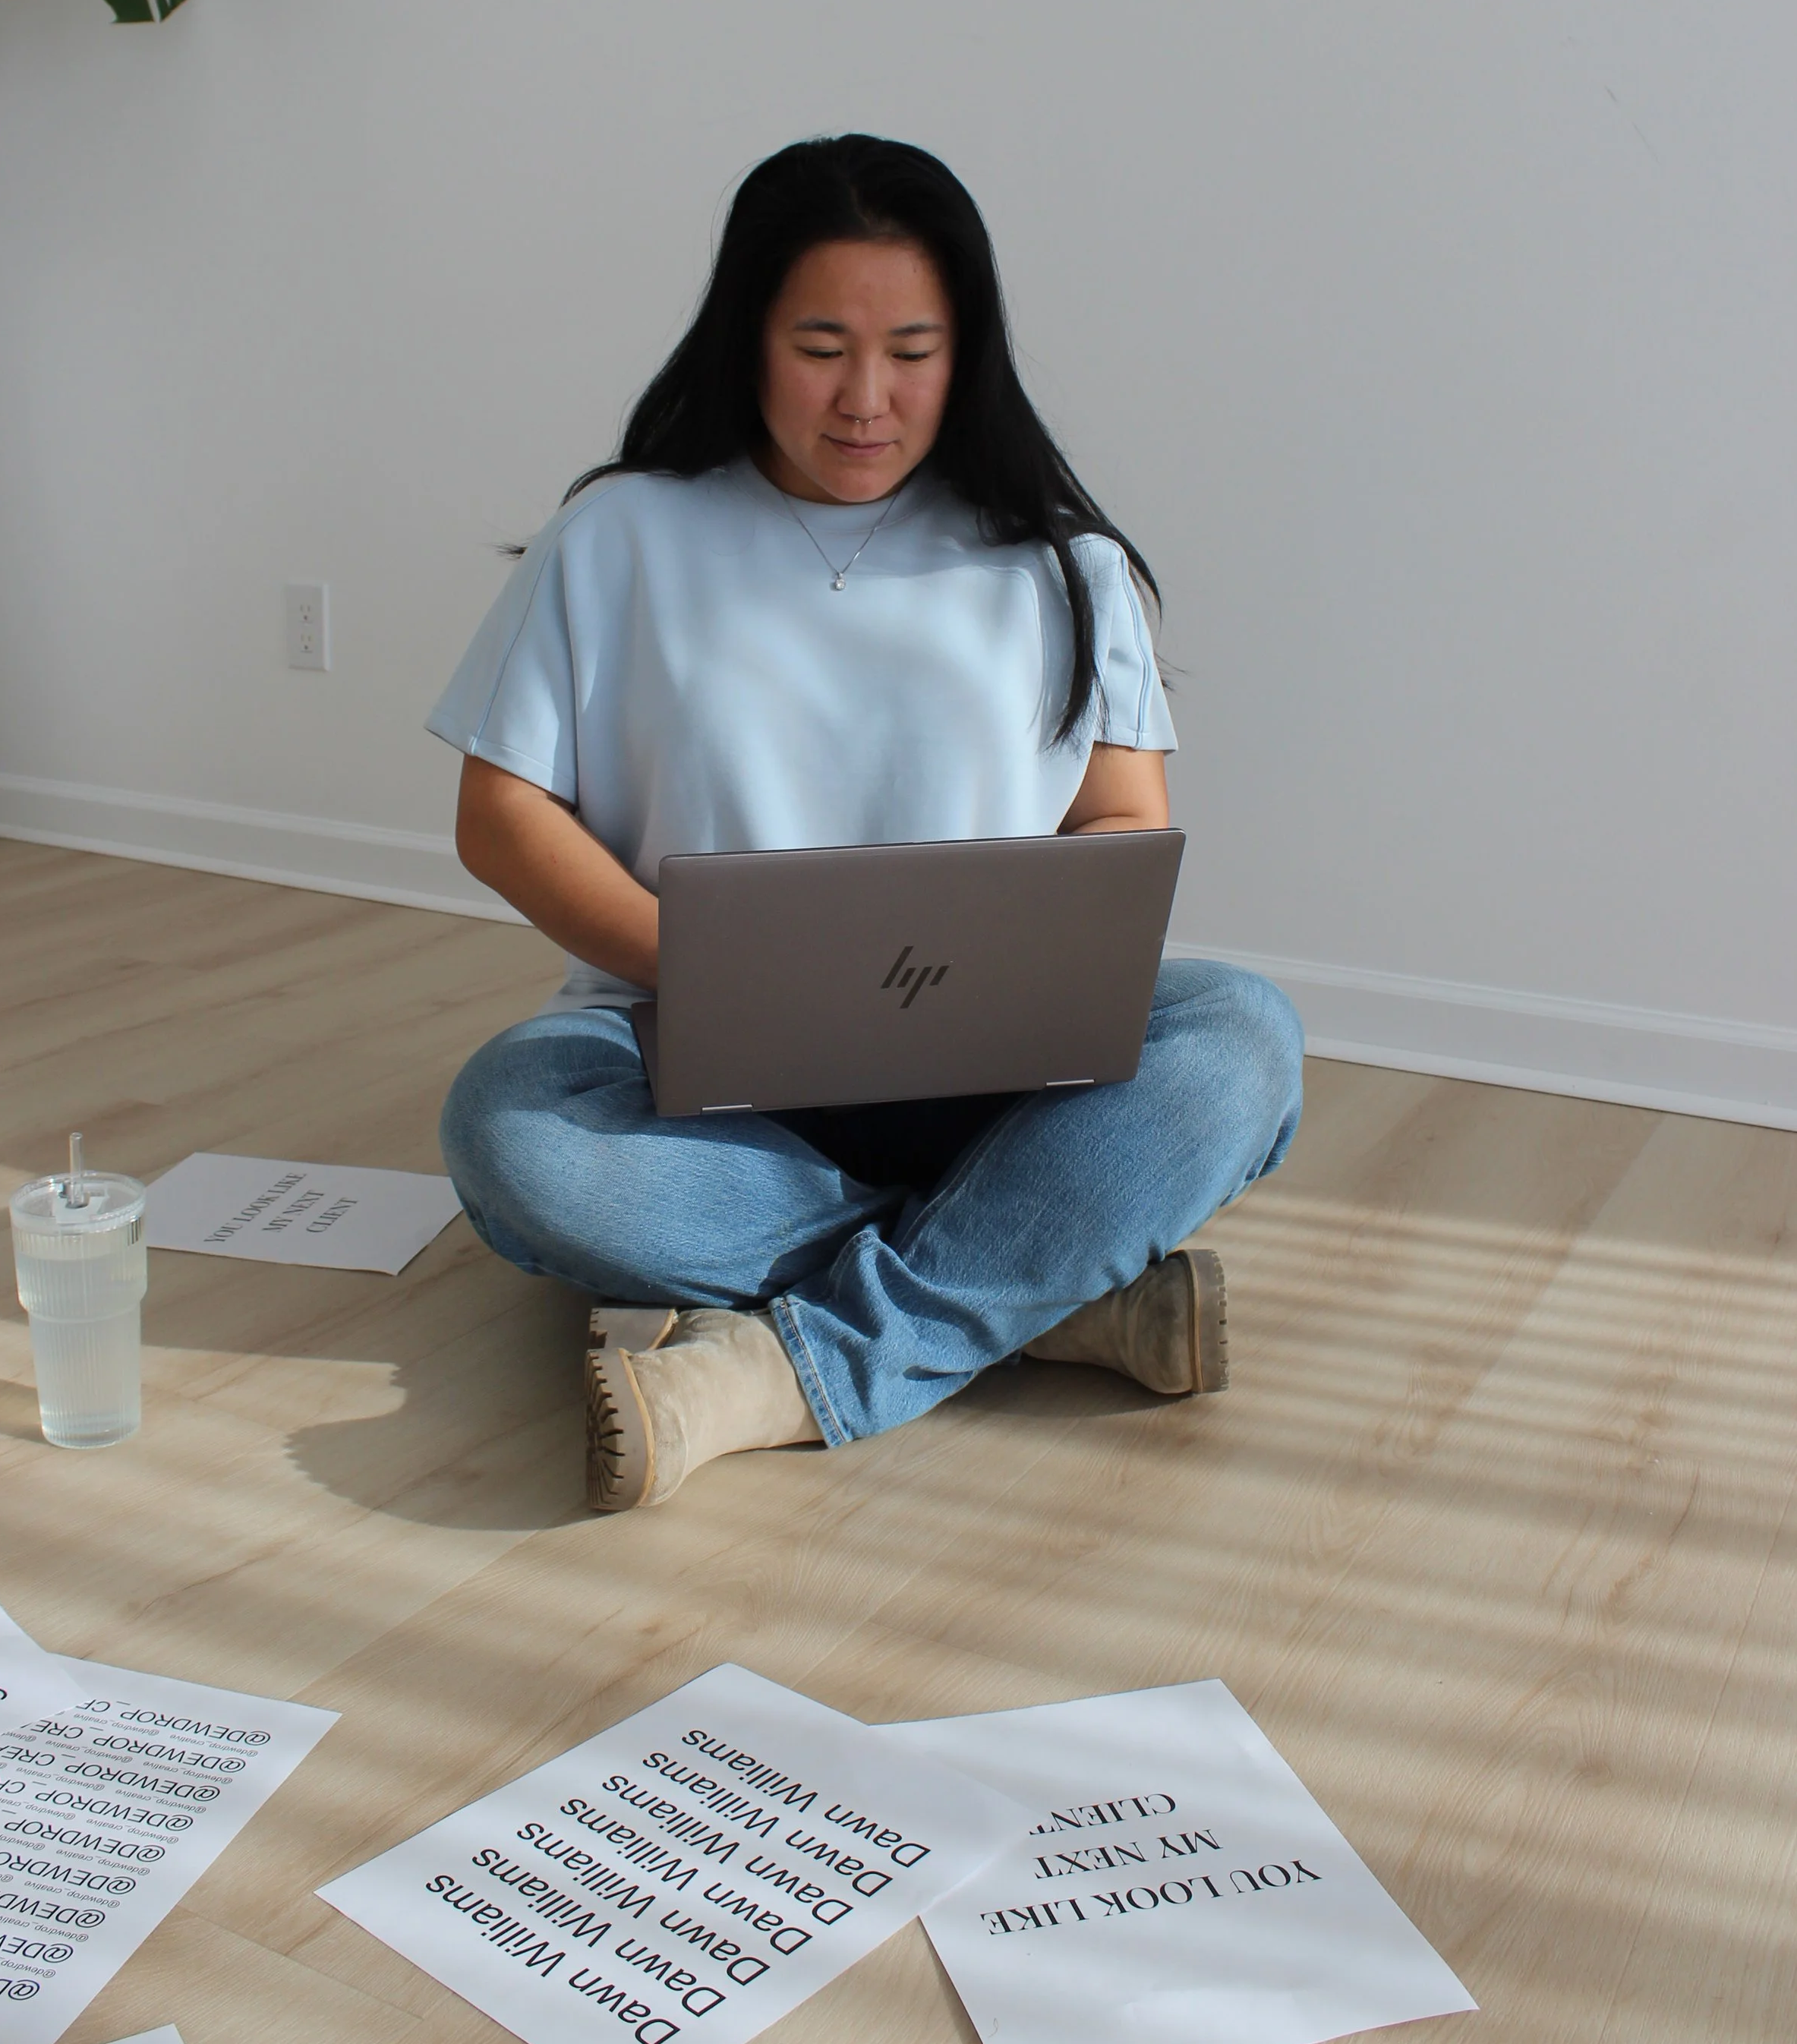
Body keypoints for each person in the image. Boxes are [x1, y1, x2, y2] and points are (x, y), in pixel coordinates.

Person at [432, 135, 1303, 1512]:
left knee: (1241, 1036)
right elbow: (501, 815)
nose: (866, 397)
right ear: (749, 336)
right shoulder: (620, 539)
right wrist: (706, 968)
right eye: (822, 344)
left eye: (912, 349)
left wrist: (1024, 965)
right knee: (513, 1126)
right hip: (687, 1060)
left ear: (968, 353)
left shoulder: (1065, 563)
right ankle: (1045, 1293)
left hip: (987, 1071)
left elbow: (1124, 819)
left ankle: (786, 1368)